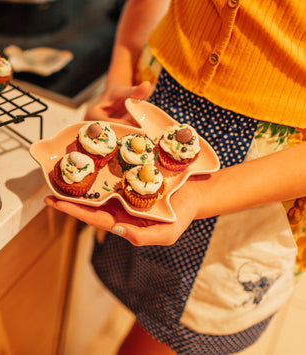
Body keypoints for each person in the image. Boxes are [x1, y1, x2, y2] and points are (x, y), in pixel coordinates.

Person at [45, 0, 306, 354]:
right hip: (155, 101)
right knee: (143, 293)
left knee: (172, 331)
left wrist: (199, 195)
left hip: (261, 178)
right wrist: (120, 80)